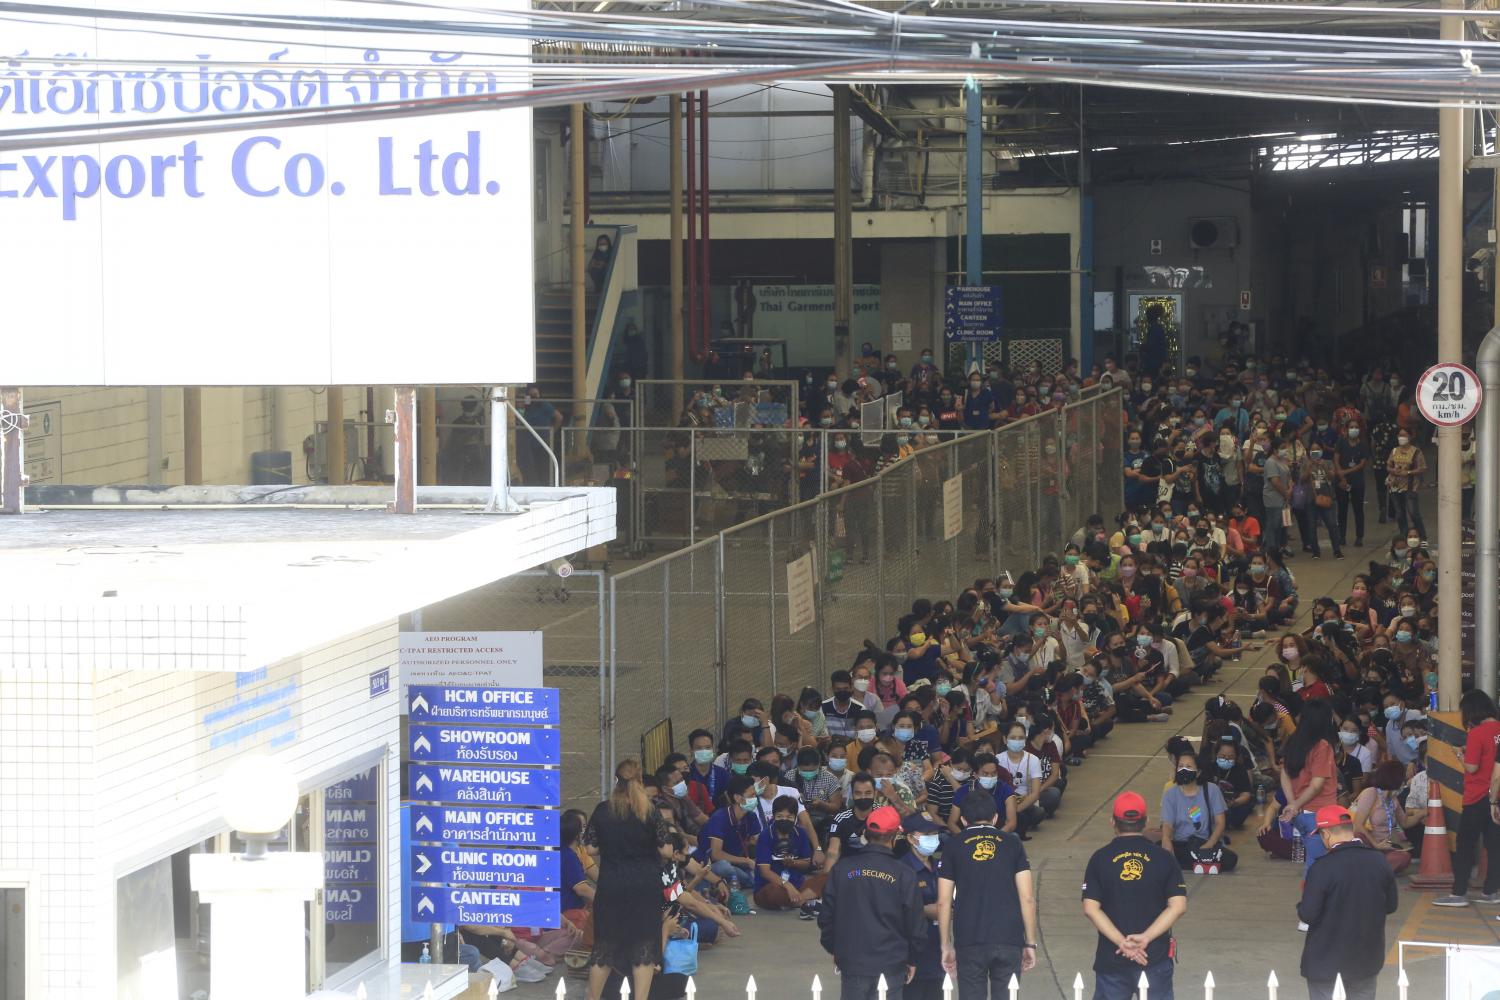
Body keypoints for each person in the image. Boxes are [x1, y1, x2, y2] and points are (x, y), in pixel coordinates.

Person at [1082, 792, 1187, 1000]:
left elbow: (1090, 908)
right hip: (1153, 958)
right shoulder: (1164, 858)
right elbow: (1178, 905)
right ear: (1146, 822)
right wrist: (1145, 938)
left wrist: (1122, 943)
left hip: (1112, 959)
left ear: (1113, 822)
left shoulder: (1100, 858)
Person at [584, 760, 673, 1000]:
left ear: (616, 782)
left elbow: (590, 849)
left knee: (604, 947)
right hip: (644, 885)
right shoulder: (650, 811)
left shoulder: (603, 810)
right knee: (643, 946)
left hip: (611, 884)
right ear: (640, 782)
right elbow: (666, 851)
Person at [819, 805, 929, 1000]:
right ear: (896, 835)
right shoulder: (904, 873)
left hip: (853, 960)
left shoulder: (842, 869)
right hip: (891, 962)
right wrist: (912, 957)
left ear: (865, 834)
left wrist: (836, 948)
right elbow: (915, 922)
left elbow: (826, 916)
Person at [937, 793, 1038, 999]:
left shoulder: (954, 845)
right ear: (995, 817)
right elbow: (1027, 898)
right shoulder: (1013, 843)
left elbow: (943, 902)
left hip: (969, 938)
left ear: (963, 820)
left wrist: (946, 944)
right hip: (1008, 937)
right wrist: (1030, 942)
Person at [1297, 805, 1399, 1000]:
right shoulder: (1379, 861)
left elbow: (1308, 914)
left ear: (1325, 834)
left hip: (1325, 961)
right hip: (1365, 959)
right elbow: (1391, 906)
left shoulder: (1322, 868)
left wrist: (1300, 907)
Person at [1434, 689, 1500, 906]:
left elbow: (1472, 767)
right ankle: (1491, 891)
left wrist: (1461, 755)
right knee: (1494, 845)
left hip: (1477, 796)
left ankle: (1458, 893)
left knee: (1465, 844)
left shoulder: (1477, 733)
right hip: (1496, 797)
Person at [1280, 700, 1341, 889]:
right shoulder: (1322, 746)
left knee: (1314, 860)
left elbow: (1284, 774)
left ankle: (1312, 905)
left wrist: (1293, 805)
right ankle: (1310, 908)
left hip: (1301, 815)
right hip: (1320, 814)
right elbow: (1316, 785)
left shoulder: (1294, 740)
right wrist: (1295, 805)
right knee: (1317, 863)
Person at [1158, 751, 1238, 872]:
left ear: (1198, 772)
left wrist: (1210, 843)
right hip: (1181, 843)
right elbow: (1167, 823)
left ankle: (1198, 860)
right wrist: (1166, 839)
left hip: (1204, 842)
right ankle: (1204, 861)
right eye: (1181, 766)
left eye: (1189, 767)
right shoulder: (1170, 794)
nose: (1184, 769)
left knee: (1230, 859)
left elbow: (1220, 822)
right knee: (1156, 851)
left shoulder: (1212, 790)